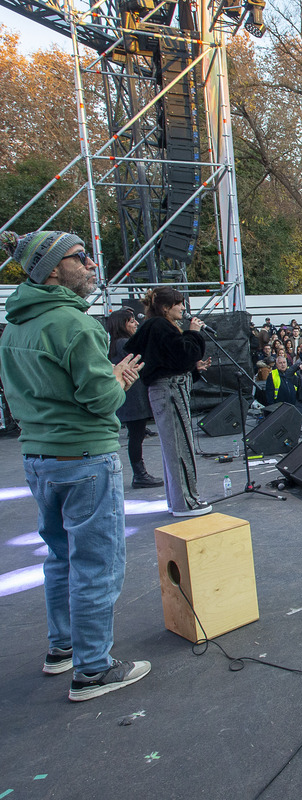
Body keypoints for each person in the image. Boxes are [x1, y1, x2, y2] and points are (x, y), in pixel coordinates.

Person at [0, 229, 151, 700]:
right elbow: (100, 400)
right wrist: (118, 378)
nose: (90, 264)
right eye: (79, 256)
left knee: (61, 558)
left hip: (39, 459)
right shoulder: (76, 324)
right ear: (51, 270)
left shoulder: (14, 327)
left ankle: (61, 649)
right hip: (85, 457)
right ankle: (92, 669)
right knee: (97, 565)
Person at [125, 287, 211, 517]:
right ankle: (186, 502)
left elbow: (170, 361)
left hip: (166, 389)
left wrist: (194, 368)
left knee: (175, 446)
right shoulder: (160, 326)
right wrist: (193, 332)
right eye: (179, 303)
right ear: (165, 307)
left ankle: (178, 500)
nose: (183, 308)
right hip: (170, 392)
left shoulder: (155, 327)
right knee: (180, 446)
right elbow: (183, 353)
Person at [103, 308, 162, 489]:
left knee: (136, 435)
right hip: (133, 398)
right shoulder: (124, 344)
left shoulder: (115, 344)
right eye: (131, 321)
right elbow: (142, 362)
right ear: (123, 324)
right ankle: (139, 474)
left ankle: (140, 473)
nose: (136, 324)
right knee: (136, 437)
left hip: (129, 397)